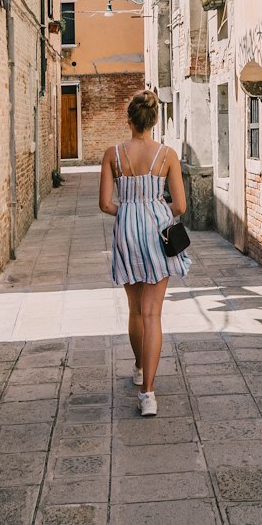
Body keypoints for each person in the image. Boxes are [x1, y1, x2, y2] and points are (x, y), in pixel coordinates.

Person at [99, 89, 189, 416]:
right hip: (155, 234)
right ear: (154, 121)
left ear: (129, 121)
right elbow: (180, 205)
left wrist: (129, 210)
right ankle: (147, 394)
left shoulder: (113, 154)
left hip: (126, 231)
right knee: (152, 314)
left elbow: (105, 203)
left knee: (134, 310)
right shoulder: (167, 155)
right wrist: (155, 208)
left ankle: (138, 367)